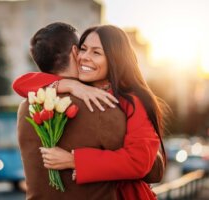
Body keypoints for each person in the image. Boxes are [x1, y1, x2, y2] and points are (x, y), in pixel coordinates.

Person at [13, 24, 167, 199]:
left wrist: (74, 160)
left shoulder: (130, 100)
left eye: (96, 52)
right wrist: (71, 85)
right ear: (74, 51)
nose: (85, 57)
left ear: (114, 58)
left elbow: (141, 162)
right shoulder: (92, 100)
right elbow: (20, 83)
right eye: (83, 49)